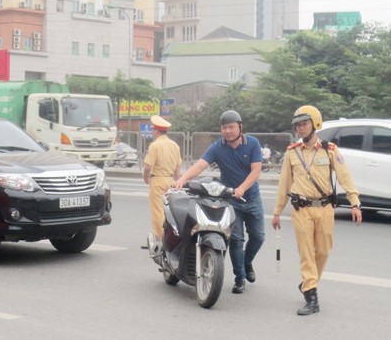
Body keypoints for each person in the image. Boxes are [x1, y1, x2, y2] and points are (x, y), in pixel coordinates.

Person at [272, 105, 362, 316]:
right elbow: (284, 185)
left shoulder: (329, 150)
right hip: (301, 209)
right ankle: (311, 296)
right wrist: (277, 212)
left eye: (304, 124)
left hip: (325, 208)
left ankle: (307, 283)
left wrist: (355, 203)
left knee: (322, 251)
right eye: (297, 125)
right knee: (306, 253)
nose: (300, 128)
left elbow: (345, 177)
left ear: (315, 124)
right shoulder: (292, 153)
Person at [174, 110, 264, 294]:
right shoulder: (218, 147)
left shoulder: (253, 143)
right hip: (230, 200)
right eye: (224, 128)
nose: (227, 131)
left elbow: (256, 171)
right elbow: (200, 165)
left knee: (259, 236)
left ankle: (247, 262)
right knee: (237, 240)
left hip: (252, 198)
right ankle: (240, 279)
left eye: (231, 127)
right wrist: (182, 180)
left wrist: (242, 188)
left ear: (240, 126)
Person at [142, 115, 182, 249]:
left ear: (156, 131)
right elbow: (178, 167)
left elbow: (148, 166)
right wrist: (178, 182)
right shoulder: (174, 145)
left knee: (158, 211)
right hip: (171, 181)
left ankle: (161, 240)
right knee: (169, 211)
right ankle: (173, 238)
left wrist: (145, 177)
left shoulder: (155, 145)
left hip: (158, 180)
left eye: (153, 130)